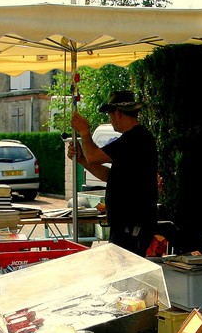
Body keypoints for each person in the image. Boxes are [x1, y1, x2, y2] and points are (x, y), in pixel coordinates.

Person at [68, 90, 158, 255]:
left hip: (132, 224)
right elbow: (110, 176)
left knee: (126, 270)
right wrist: (81, 160)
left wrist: (85, 132)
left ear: (117, 114)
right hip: (126, 224)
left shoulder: (136, 139)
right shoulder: (132, 140)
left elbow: (94, 157)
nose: (110, 121)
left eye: (110, 115)